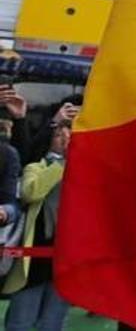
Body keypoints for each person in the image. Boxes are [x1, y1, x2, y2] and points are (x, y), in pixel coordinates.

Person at [3, 123, 71, 331]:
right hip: (32, 262)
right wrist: (61, 165)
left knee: (52, 323)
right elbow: (31, 192)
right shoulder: (35, 167)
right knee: (20, 322)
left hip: (65, 261)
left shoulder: (83, 172)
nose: (64, 139)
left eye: (70, 136)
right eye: (59, 135)